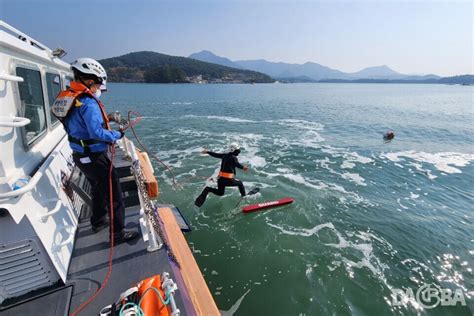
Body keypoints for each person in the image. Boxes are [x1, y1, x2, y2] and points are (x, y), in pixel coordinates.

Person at [52, 58, 138, 244]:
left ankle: (98, 221)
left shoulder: (69, 97)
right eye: (98, 83)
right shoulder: (88, 103)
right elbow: (97, 133)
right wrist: (117, 134)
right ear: (90, 80)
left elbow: (78, 124)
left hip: (79, 156)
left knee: (98, 189)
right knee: (114, 195)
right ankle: (118, 234)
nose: (99, 87)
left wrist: (105, 120)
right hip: (94, 157)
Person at [194, 143, 249, 207]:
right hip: (228, 180)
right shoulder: (234, 158)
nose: (239, 152)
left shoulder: (224, 155)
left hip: (220, 180)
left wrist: (207, 152)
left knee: (220, 193)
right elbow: (237, 164)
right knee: (240, 183)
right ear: (234, 150)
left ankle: (208, 189)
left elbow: (216, 155)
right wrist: (243, 167)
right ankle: (244, 196)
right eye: (238, 150)